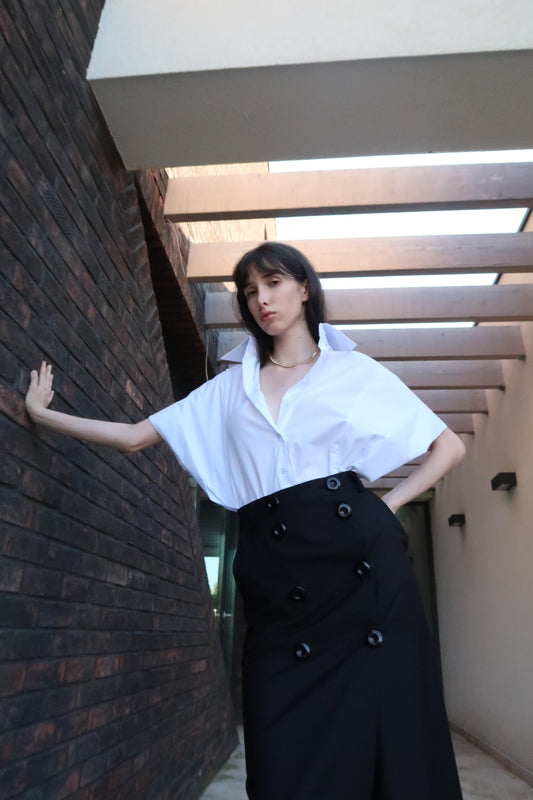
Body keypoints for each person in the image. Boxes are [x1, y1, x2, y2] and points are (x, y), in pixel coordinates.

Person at [26, 242, 466, 800]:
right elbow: (136, 436)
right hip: (277, 579)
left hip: (361, 574)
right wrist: (44, 415)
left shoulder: (353, 371)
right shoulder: (231, 385)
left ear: (304, 288)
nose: (262, 299)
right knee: (279, 756)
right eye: (250, 291)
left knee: (388, 746)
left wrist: (386, 505)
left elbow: (448, 446)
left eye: (274, 283)